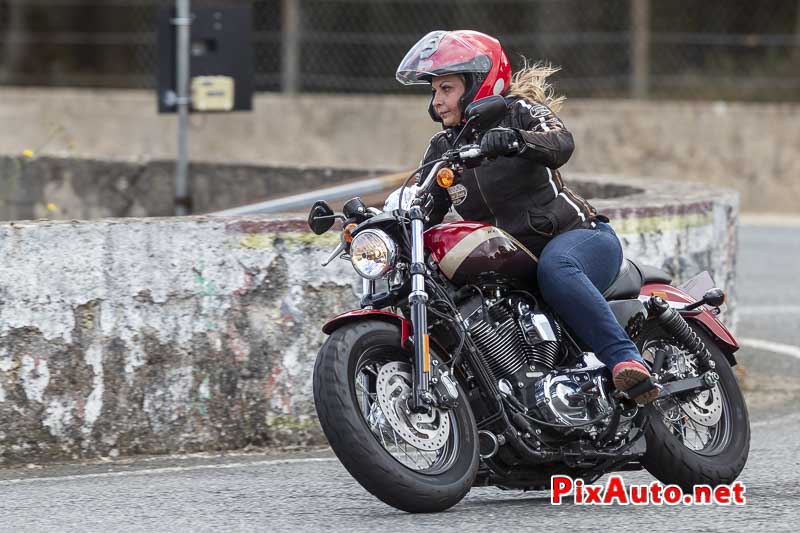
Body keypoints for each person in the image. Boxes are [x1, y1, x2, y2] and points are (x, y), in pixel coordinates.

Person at [396, 30, 657, 404]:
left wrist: (518, 140)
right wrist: (378, 226)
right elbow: (423, 207)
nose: (437, 101)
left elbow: (561, 142)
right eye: (434, 91)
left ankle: (626, 360)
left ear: (476, 86)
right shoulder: (443, 149)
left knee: (558, 269)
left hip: (577, 239)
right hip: (516, 261)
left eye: (446, 89)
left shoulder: (519, 110)